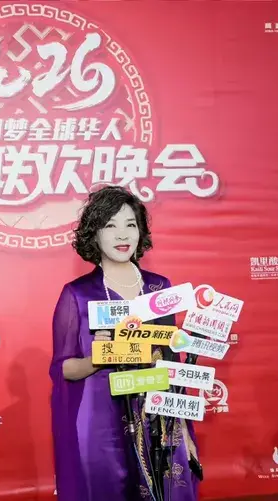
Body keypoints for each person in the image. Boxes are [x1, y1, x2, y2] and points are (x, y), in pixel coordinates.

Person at [49, 185, 200, 501]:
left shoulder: (160, 288)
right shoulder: (78, 294)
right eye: (110, 225)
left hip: (158, 417)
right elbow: (62, 369)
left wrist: (184, 430)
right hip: (100, 422)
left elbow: (171, 360)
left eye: (130, 224)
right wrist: (98, 357)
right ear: (95, 234)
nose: (122, 234)